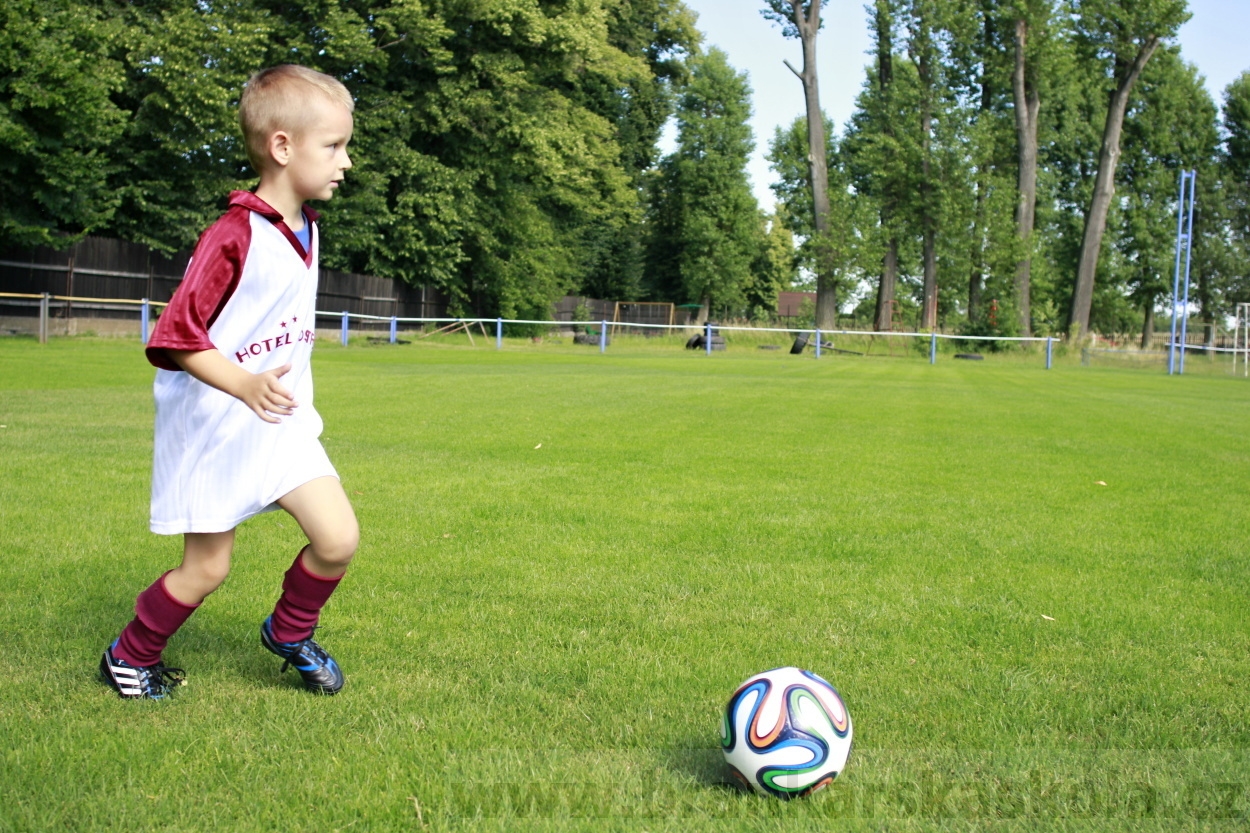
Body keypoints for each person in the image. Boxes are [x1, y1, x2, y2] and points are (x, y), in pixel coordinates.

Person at [99, 65, 360, 699]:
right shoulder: (233, 234)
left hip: (280, 419)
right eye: (333, 146)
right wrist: (243, 384)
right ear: (282, 147)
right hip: (217, 422)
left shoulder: (306, 227)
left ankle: (288, 631)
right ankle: (129, 655)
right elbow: (176, 336)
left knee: (338, 537)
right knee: (207, 569)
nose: (345, 162)